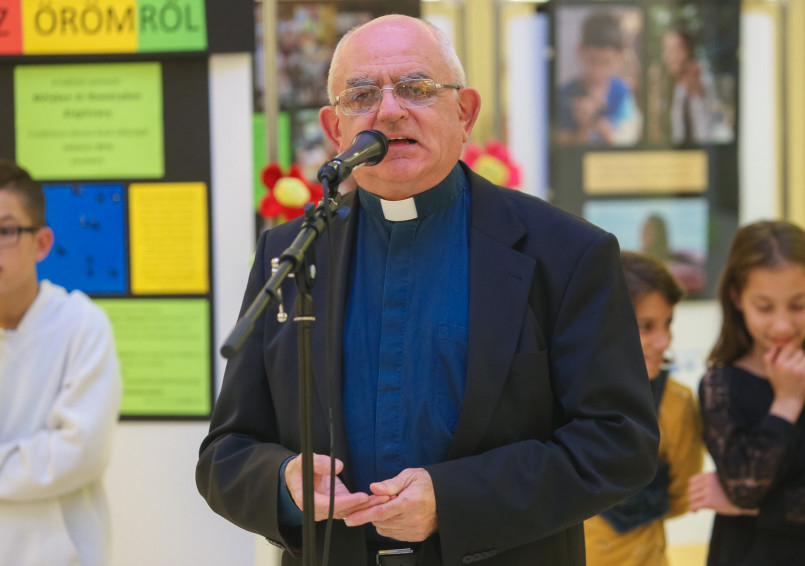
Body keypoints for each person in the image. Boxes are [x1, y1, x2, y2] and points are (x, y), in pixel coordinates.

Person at [196, 14, 659, 566]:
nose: (390, 111)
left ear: (465, 113)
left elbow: (619, 443)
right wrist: (283, 482)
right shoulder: (293, 251)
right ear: (334, 128)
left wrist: (454, 501)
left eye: (416, 88)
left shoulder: (564, 253)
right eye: (361, 95)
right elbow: (226, 453)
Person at [687, 220, 805, 565]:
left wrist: (756, 508)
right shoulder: (720, 384)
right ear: (737, 298)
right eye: (764, 307)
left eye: (797, 305)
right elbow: (745, 487)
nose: (782, 325)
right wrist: (787, 402)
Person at [0, 159, 122, 566]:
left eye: (5, 231)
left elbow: (80, 453)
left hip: (62, 554)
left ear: (42, 242)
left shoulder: (81, 324)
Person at [584, 252, 703, 566]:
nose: (664, 341)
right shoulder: (559, 395)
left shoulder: (676, 403)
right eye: (646, 326)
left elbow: (683, 495)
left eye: (668, 324)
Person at [555, 11, 641, 146]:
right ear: (579, 51)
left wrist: (608, 136)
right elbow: (563, 151)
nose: (598, 71)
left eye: (606, 62)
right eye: (592, 60)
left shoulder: (624, 92)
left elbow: (631, 143)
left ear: (620, 57)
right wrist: (583, 127)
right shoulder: (562, 96)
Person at [661, 26, 733, 145]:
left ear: (688, 51)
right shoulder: (676, 86)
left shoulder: (699, 76)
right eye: (665, 50)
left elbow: (701, 90)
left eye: (675, 49)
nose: (669, 56)